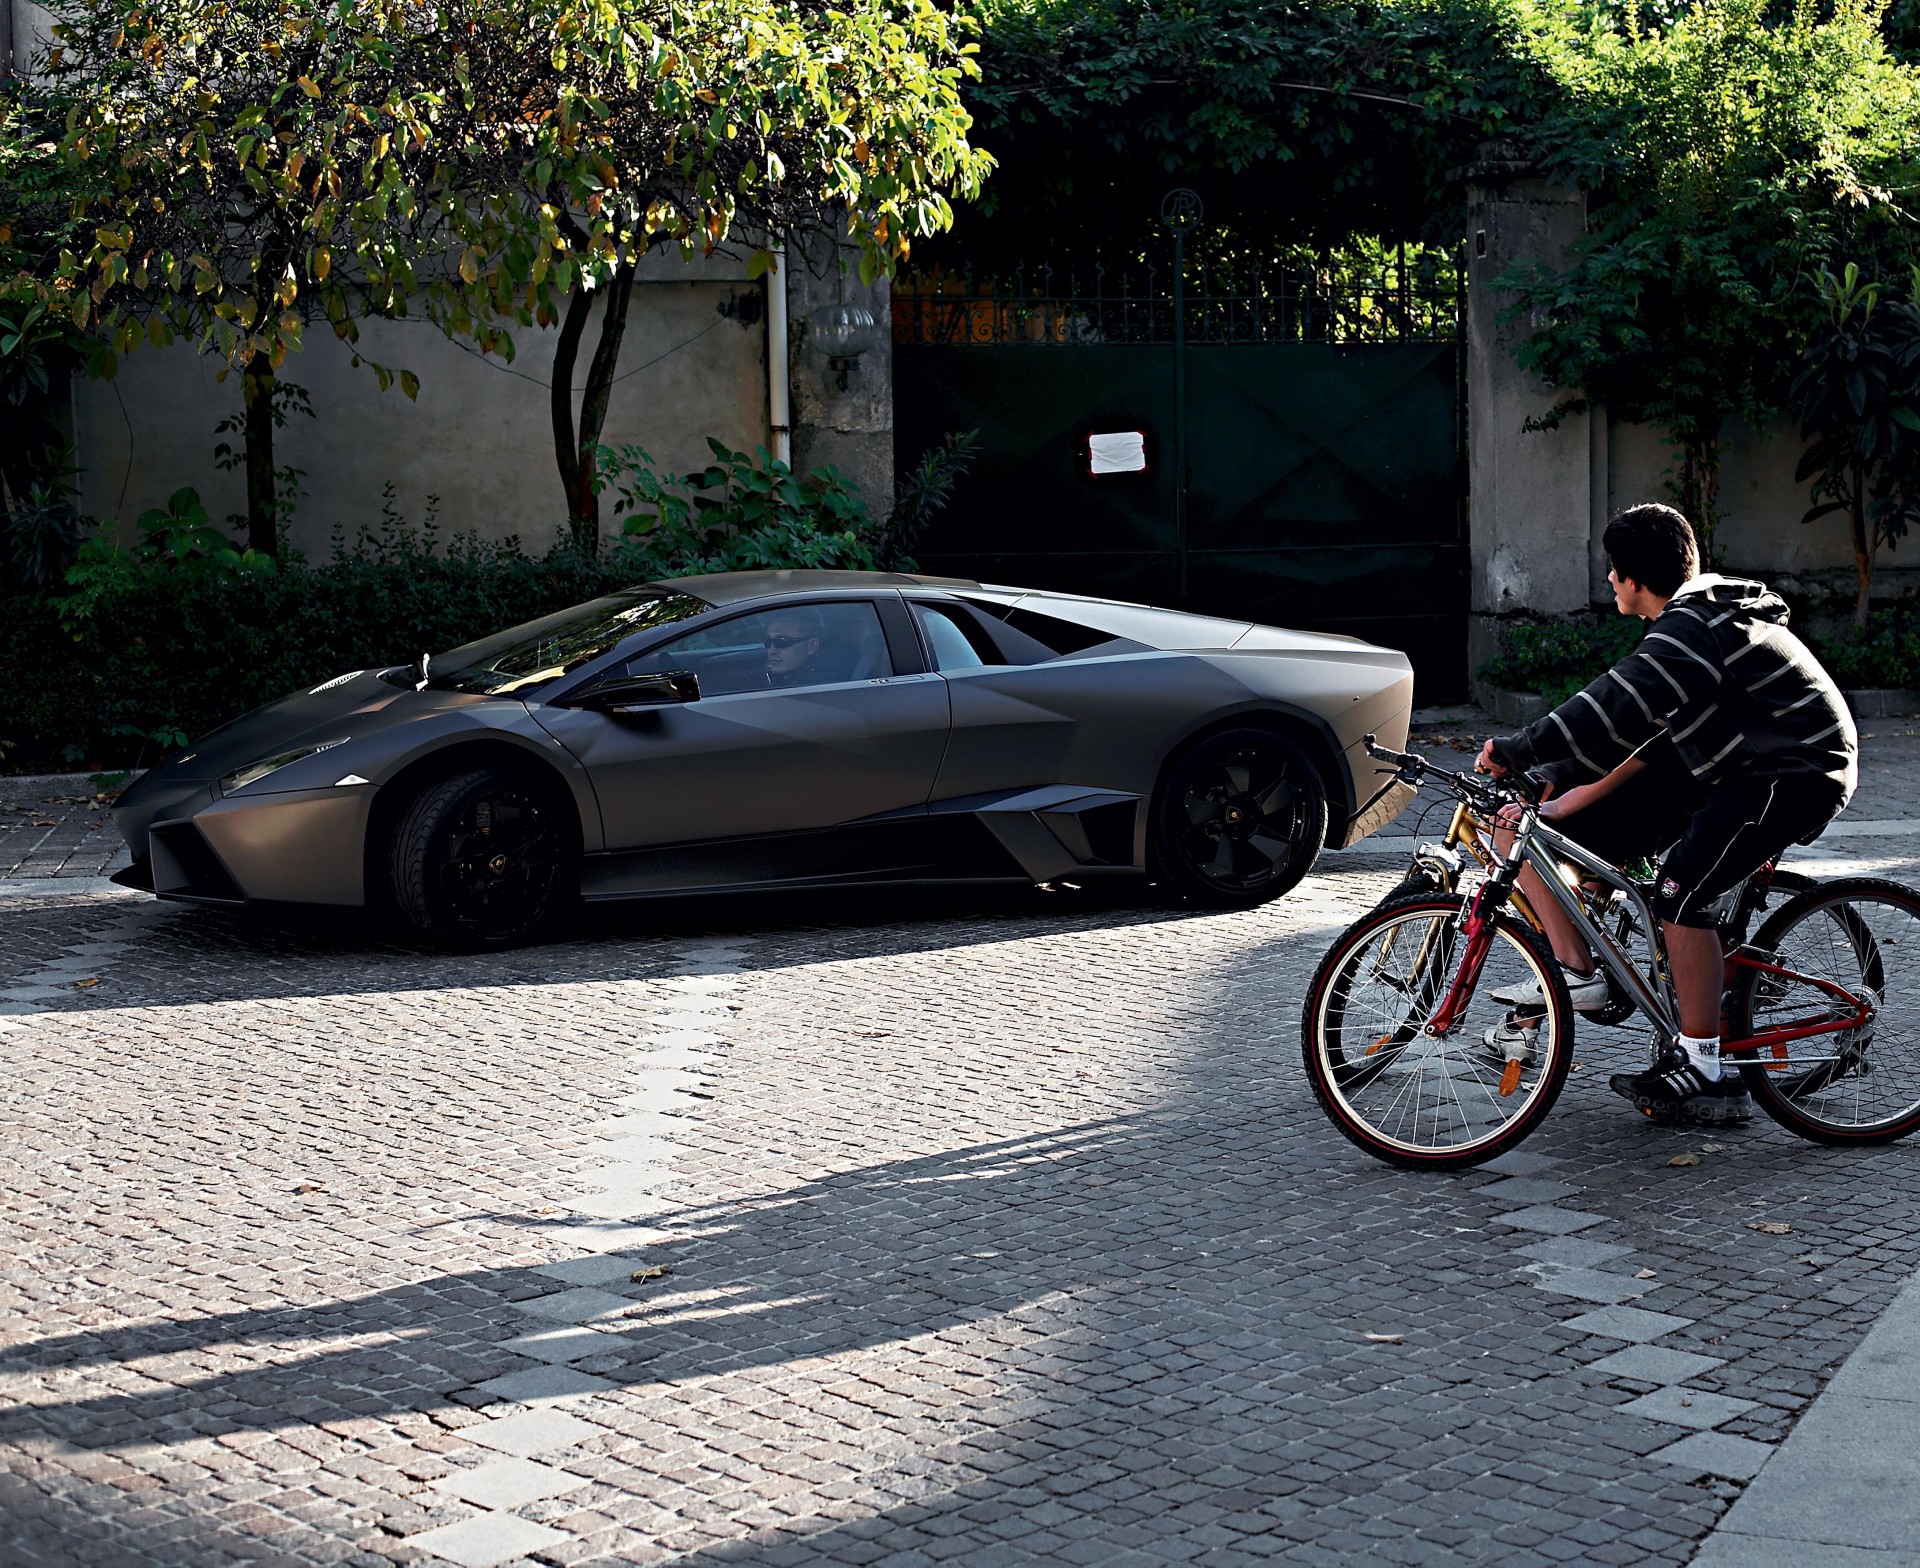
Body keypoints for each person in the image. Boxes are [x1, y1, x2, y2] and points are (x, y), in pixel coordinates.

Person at [1476, 503, 1858, 1126]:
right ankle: (1599, 970)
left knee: (1679, 896)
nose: (1606, 581)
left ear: (1633, 577)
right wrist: (1567, 781)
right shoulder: (1694, 622)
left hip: (1788, 774)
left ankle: (1704, 1065)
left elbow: (1615, 704)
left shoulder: (1693, 627)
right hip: (1738, 763)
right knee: (1589, 839)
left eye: (1611, 570)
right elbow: (1650, 733)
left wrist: (1523, 746)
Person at [763, 609, 828, 689]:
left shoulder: (817, 686)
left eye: (782, 641)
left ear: (811, 646)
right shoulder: (792, 679)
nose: (771, 650)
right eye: (768, 641)